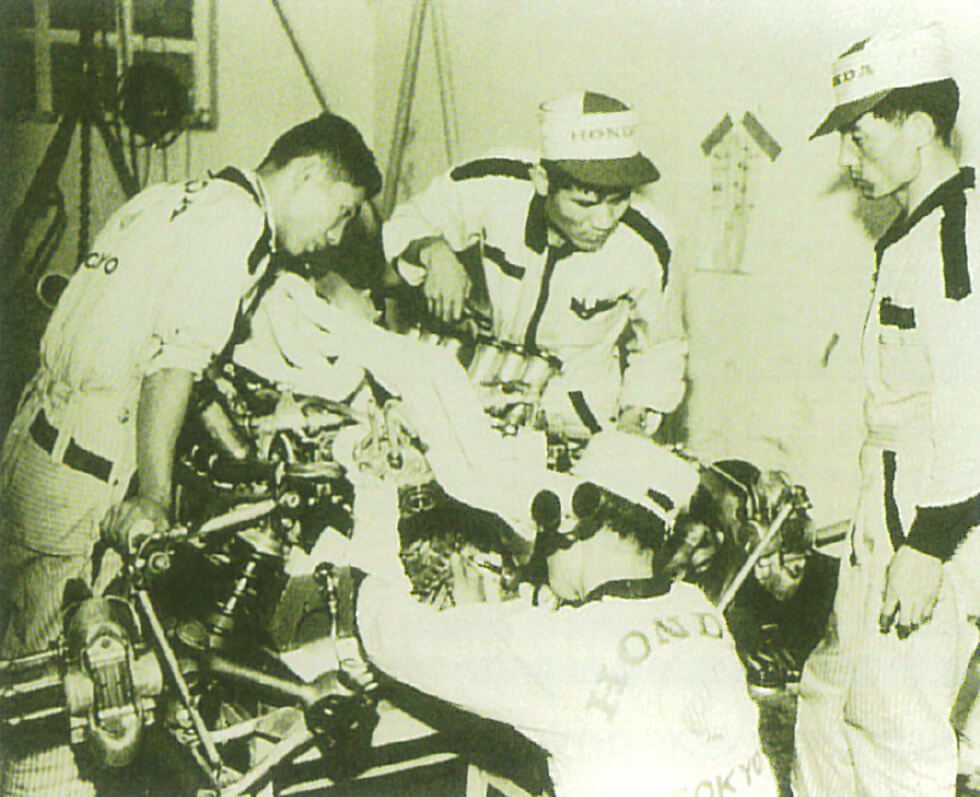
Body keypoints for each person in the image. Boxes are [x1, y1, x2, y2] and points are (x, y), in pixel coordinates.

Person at [0, 111, 381, 796]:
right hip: (84, 473)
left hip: (38, 442)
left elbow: (181, 358)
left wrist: (241, 452)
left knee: (22, 661)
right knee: (72, 699)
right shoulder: (237, 229)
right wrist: (152, 494)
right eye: (341, 212)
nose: (332, 238)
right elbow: (171, 369)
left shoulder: (184, 195)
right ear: (307, 176)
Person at [350, 431, 779, 796]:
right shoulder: (696, 608)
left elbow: (388, 632)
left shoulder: (562, 649)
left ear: (573, 518)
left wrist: (371, 499)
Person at [793, 24, 980, 796]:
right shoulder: (909, 234)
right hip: (889, 508)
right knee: (829, 696)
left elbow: (974, 401)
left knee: (894, 726)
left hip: (936, 520)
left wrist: (929, 547)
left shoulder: (957, 237)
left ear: (919, 127)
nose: (846, 159)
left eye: (859, 137)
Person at [382, 91, 686, 440]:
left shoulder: (649, 241)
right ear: (543, 181)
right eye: (584, 203)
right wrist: (432, 251)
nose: (604, 221)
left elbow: (661, 348)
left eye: (618, 201)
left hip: (574, 417)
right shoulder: (492, 183)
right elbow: (406, 222)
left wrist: (635, 420)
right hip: (480, 396)